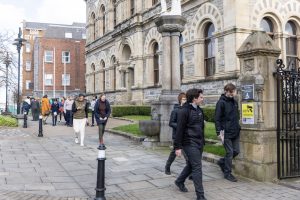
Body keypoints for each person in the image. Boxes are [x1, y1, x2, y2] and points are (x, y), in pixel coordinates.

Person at [174, 88, 206, 200]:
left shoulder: (199, 110)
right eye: (201, 97)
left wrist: (203, 141)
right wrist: (177, 147)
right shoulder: (184, 111)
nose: (203, 98)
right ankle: (200, 196)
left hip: (199, 143)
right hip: (189, 143)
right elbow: (179, 130)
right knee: (197, 167)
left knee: (192, 165)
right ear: (194, 98)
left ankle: (179, 181)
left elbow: (201, 128)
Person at [215, 83, 240, 182]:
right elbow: (217, 119)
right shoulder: (221, 102)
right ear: (226, 91)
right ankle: (227, 173)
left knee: (236, 151)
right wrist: (218, 132)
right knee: (229, 153)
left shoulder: (234, 102)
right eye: (230, 92)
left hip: (235, 131)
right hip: (226, 132)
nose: (232, 94)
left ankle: (222, 162)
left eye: (233, 92)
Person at [165, 92, 187, 175]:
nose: (185, 101)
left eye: (186, 99)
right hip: (177, 136)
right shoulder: (175, 110)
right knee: (174, 152)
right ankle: (167, 166)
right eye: (184, 99)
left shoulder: (188, 110)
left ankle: (190, 172)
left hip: (186, 136)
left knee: (187, 154)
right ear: (180, 100)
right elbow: (171, 123)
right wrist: (180, 126)